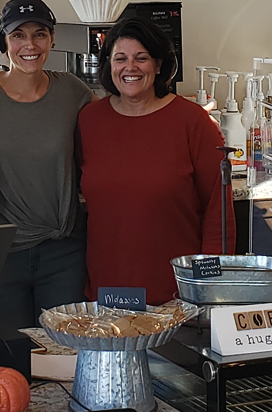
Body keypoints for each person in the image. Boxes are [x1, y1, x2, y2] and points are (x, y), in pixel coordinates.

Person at [78, 16, 234, 303]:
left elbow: (218, 211)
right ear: (108, 66)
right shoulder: (89, 120)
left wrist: (207, 286)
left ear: (159, 65)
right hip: (107, 290)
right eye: (120, 59)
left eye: (142, 58)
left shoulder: (192, 122)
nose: (130, 67)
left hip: (177, 294)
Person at [0, 0, 92, 328]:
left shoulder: (72, 92)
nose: (30, 45)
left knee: (64, 349)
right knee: (11, 350)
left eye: (39, 34)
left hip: (63, 252)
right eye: (18, 35)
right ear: (3, 42)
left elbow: (106, 141)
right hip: (3, 254)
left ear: (52, 39)